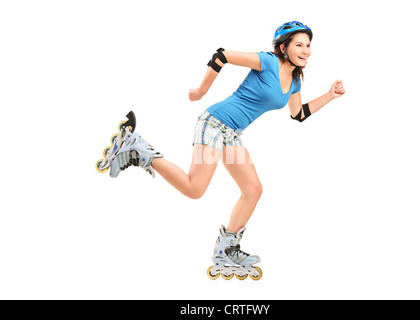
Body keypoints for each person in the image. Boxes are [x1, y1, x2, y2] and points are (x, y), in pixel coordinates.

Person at [103, 21, 346, 279]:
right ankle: (138, 149)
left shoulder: (295, 80)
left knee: (253, 190)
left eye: (308, 45)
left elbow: (298, 114)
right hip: (214, 123)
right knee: (195, 188)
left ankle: (226, 249)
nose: (306, 50)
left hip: (232, 134)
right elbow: (223, 56)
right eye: (299, 44)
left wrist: (330, 95)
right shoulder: (267, 61)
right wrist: (201, 90)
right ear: (283, 47)